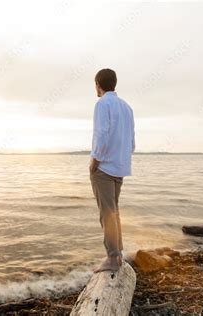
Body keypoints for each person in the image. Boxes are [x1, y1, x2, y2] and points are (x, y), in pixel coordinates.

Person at [89, 68, 135, 273]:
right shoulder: (127, 107)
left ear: (98, 84)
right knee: (114, 211)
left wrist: (95, 160)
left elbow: (102, 134)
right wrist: (122, 159)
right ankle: (117, 254)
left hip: (105, 166)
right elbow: (132, 141)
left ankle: (112, 257)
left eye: (95, 85)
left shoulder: (102, 104)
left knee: (106, 212)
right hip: (120, 167)